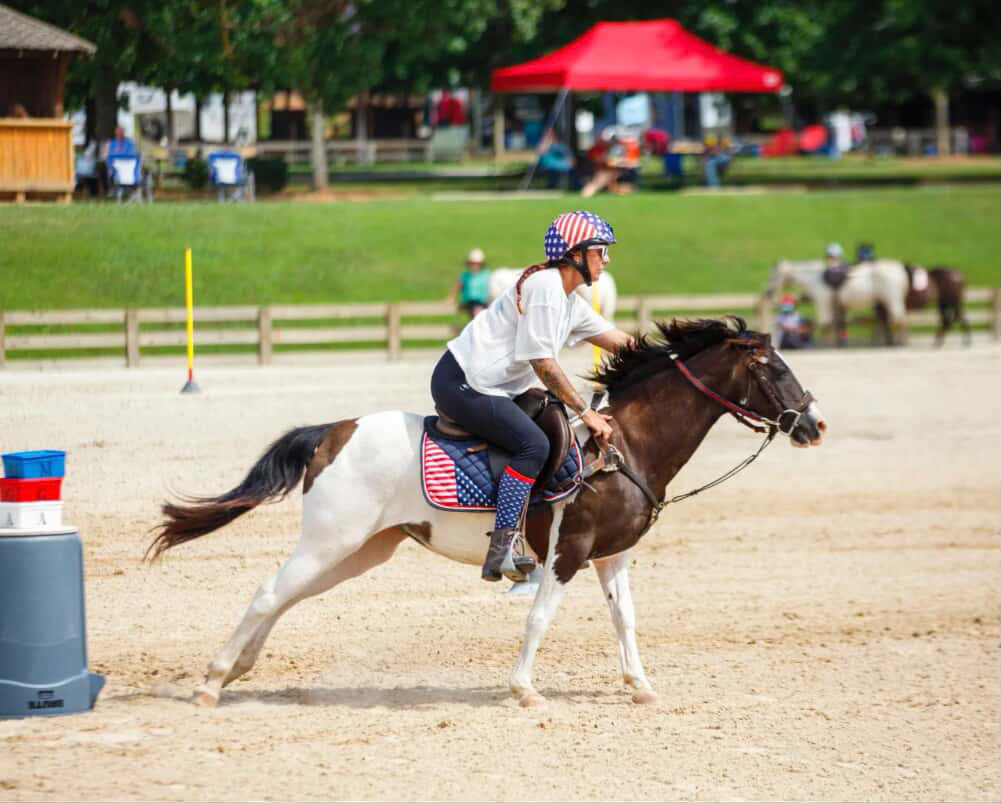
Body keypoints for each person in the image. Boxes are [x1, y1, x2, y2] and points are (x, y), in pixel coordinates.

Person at [430, 211, 634, 582]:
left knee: (560, 429)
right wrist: (585, 413)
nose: (606, 259)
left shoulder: (570, 301)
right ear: (576, 253)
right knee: (533, 446)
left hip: (500, 386)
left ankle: (543, 531)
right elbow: (543, 363)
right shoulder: (545, 288)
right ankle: (501, 549)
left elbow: (621, 342)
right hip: (465, 382)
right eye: (600, 251)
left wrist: (674, 355)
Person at [450, 248, 491, 319]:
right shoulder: (465, 275)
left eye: (477, 263)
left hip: (483, 302)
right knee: (477, 311)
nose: (474, 265)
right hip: (470, 302)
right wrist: (451, 297)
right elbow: (458, 286)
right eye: (472, 263)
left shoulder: (486, 275)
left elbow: (490, 288)